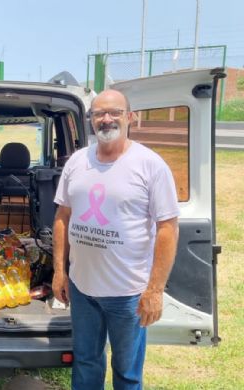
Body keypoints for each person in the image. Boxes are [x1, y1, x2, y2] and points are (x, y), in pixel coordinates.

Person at [51, 89, 180, 390]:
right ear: (90, 120)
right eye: (98, 113)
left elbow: (168, 228)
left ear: (130, 117)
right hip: (82, 289)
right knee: (85, 363)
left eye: (114, 112)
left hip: (128, 294)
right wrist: (60, 271)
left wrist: (155, 291)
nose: (106, 119)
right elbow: (62, 216)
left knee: (127, 373)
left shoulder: (150, 165)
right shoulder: (77, 163)